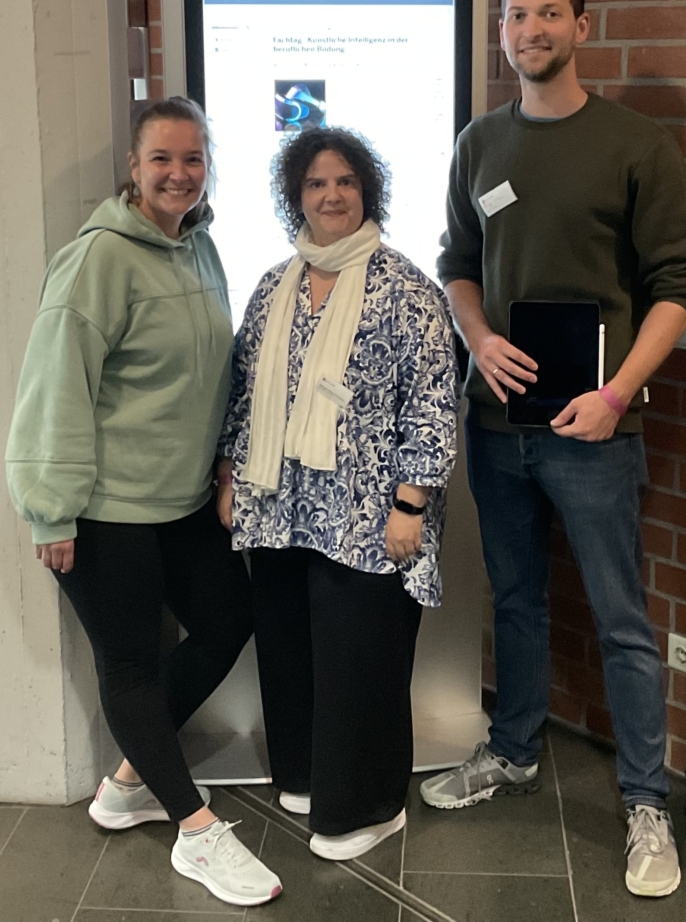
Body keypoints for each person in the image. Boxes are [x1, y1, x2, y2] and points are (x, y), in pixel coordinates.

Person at [419, 0, 686, 899]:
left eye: (548, 13)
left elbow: (678, 290)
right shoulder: (478, 144)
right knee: (515, 601)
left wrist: (615, 394)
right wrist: (477, 338)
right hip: (496, 425)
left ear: (581, 26)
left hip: (595, 432)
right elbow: (457, 263)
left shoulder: (635, 145)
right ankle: (512, 751)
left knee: (621, 620)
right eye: (516, 15)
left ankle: (645, 802)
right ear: (500, 30)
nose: (530, 30)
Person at [6, 97, 282, 908]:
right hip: (104, 512)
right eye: (162, 158)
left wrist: (224, 468)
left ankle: (130, 782)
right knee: (127, 666)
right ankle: (195, 830)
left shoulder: (200, 247)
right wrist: (50, 509)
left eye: (193, 158)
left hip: (183, 503)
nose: (178, 173)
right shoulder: (97, 258)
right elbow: (53, 387)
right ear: (133, 167)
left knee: (229, 618)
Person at [216, 127, 459, 861]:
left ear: (367, 192)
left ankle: (369, 807)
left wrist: (411, 504)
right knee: (289, 649)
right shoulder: (273, 286)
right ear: (296, 196)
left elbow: (432, 404)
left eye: (345, 181)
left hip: (369, 517)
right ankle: (302, 772)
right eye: (316, 183)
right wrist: (229, 474)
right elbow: (243, 391)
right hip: (279, 509)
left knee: (361, 663)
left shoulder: (406, 289)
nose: (331, 195)